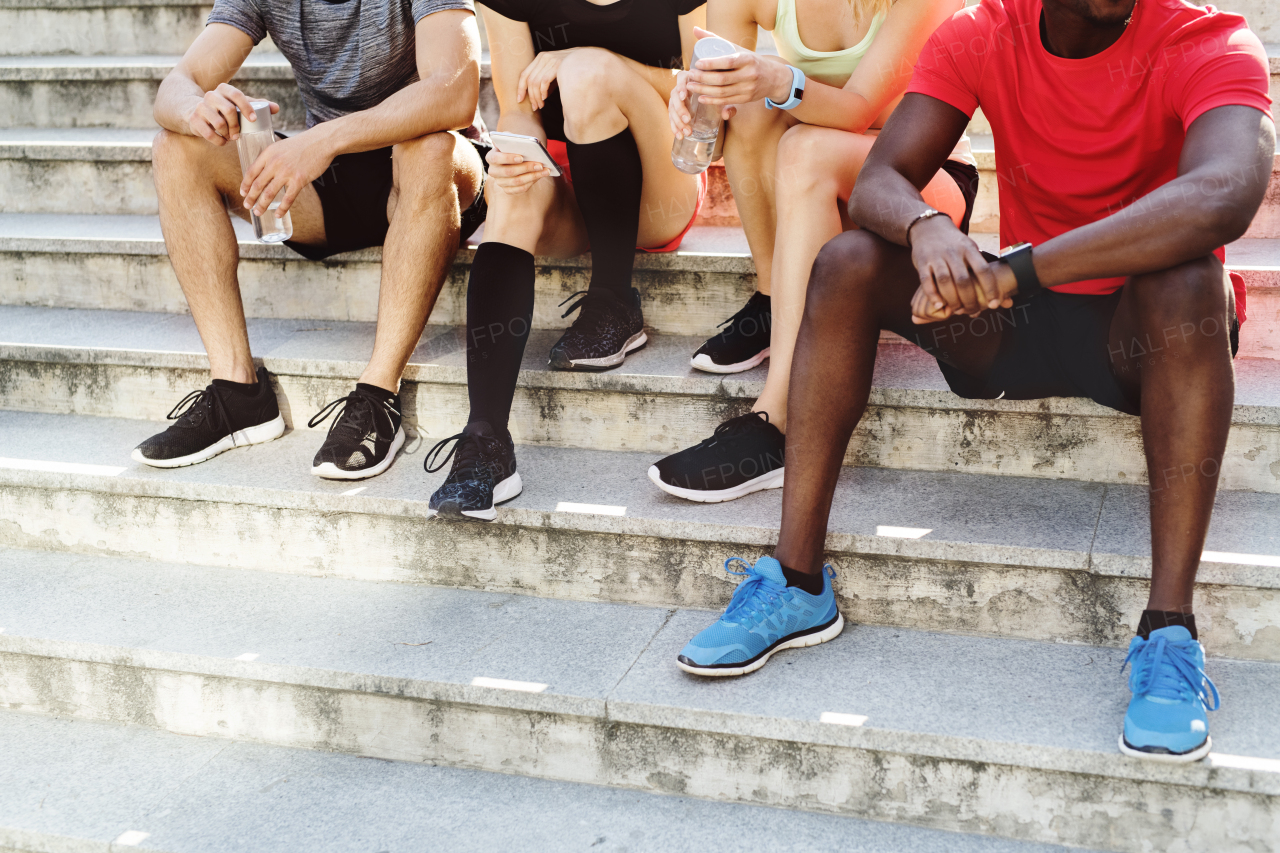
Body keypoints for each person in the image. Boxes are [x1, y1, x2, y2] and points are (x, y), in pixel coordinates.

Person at [677, 0, 1272, 765]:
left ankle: (1169, 632)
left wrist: (1019, 270)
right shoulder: (986, 30)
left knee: (1193, 284)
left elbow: (1225, 191)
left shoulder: (1207, 38)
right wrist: (928, 229)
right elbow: (880, 180)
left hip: (1141, 336)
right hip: (1021, 315)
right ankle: (796, 579)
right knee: (849, 262)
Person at [135, 0, 490, 480]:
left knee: (428, 149)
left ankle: (378, 396)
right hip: (331, 183)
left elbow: (455, 91)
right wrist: (197, 109)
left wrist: (324, 141)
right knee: (175, 148)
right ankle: (238, 392)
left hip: (428, 162)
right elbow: (175, 87)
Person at [649, 0, 975, 503]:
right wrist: (697, 107)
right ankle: (771, 295)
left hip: (917, 187)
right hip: (825, 185)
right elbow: (718, 136)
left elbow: (860, 107)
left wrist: (777, 80)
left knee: (803, 145)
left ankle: (779, 420)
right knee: (754, 111)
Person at [423, 0, 708, 520]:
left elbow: (706, 88)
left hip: (661, 184)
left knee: (587, 73)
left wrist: (593, 60)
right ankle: (485, 443)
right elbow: (517, 106)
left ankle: (614, 299)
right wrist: (516, 153)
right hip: (570, 181)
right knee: (510, 193)